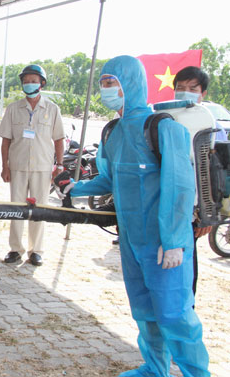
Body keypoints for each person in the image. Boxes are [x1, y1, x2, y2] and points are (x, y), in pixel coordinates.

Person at [62, 55, 210, 377]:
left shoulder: (161, 127)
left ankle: (197, 374)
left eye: (111, 83)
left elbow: (179, 186)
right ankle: (155, 368)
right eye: (102, 83)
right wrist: (76, 188)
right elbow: (108, 178)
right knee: (145, 310)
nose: (106, 90)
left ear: (130, 84)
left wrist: (173, 241)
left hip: (163, 242)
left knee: (175, 314)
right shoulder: (113, 132)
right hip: (130, 239)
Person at [0, 64, 65, 266]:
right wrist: (5, 166)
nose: (29, 84)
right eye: (26, 81)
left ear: (42, 83)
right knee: (16, 208)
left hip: (42, 168)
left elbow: (59, 139)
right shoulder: (13, 108)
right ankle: (15, 249)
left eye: (33, 81)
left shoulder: (52, 109)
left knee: (39, 210)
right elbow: (6, 140)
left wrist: (59, 166)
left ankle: (36, 250)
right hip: (17, 166)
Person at [173, 66, 227, 297]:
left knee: (186, 266)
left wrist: (207, 215)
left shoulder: (211, 125)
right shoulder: (166, 118)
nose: (186, 92)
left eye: (192, 88)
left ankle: (186, 310)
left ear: (202, 93)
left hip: (193, 210)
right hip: (167, 204)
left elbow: (215, 174)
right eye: (180, 88)